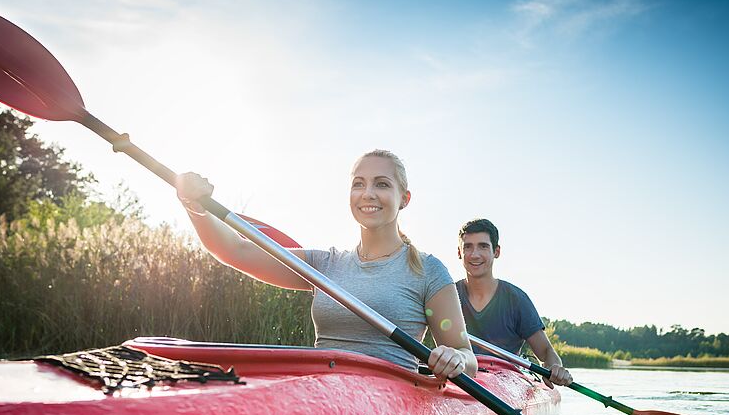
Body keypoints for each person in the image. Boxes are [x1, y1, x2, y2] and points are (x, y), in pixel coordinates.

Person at [175, 149, 477, 380]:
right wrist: (196, 208)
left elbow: (467, 357)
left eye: (382, 184)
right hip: (323, 397)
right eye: (359, 184)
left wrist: (455, 358)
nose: (368, 193)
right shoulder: (323, 265)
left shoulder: (428, 271)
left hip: (391, 406)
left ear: (404, 199)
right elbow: (235, 251)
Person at [456, 218, 572, 388]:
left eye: (483, 246)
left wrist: (554, 367)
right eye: (468, 247)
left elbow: (546, 352)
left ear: (496, 251)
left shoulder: (516, 299)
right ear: (459, 252)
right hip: (459, 378)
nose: (475, 254)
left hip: (506, 385)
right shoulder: (446, 294)